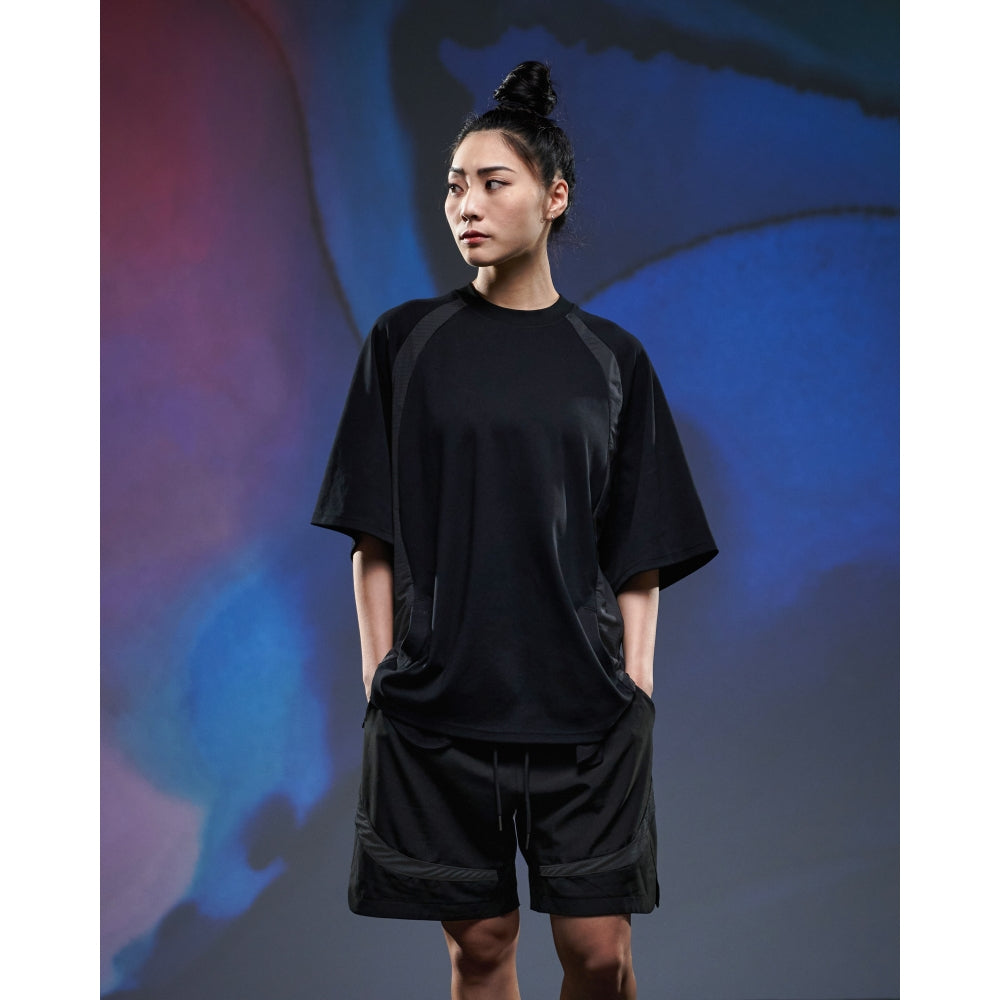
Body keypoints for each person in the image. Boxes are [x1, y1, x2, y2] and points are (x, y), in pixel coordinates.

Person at [312, 60, 717, 1000]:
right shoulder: (404, 343)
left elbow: (641, 541)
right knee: (483, 946)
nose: (468, 205)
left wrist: (637, 680)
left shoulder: (612, 359)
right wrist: (380, 678)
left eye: (494, 183)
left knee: (599, 952)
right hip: (439, 710)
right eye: (455, 185)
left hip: (584, 711)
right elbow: (371, 533)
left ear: (553, 196)